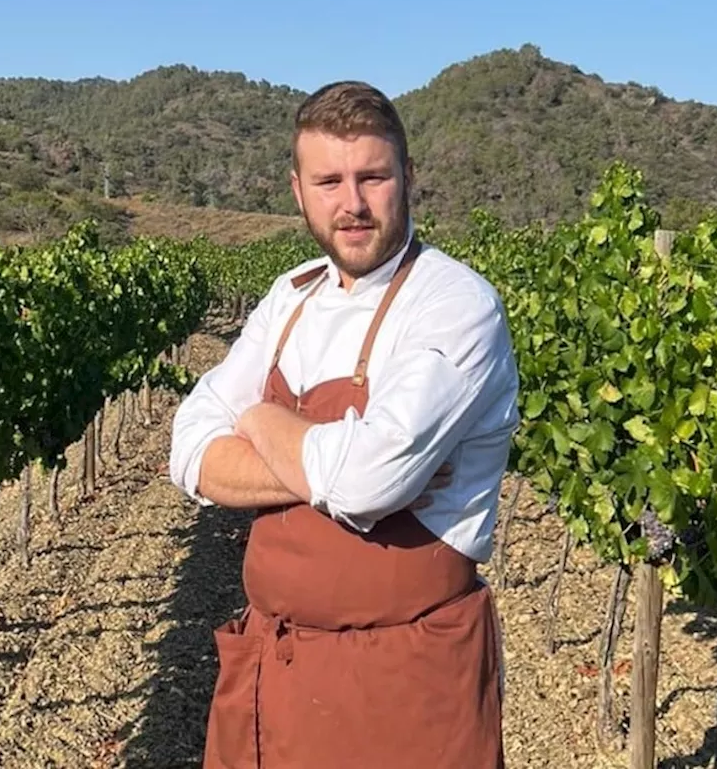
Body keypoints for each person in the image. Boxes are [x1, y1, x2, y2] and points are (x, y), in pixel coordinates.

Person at [169, 79, 520, 768]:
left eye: (373, 177)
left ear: (408, 178)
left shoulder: (455, 306)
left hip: (404, 684)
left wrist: (254, 418)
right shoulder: (290, 296)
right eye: (329, 180)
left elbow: (366, 480)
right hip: (275, 671)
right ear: (298, 190)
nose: (352, 203)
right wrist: (324, 454)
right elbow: (189, 453)